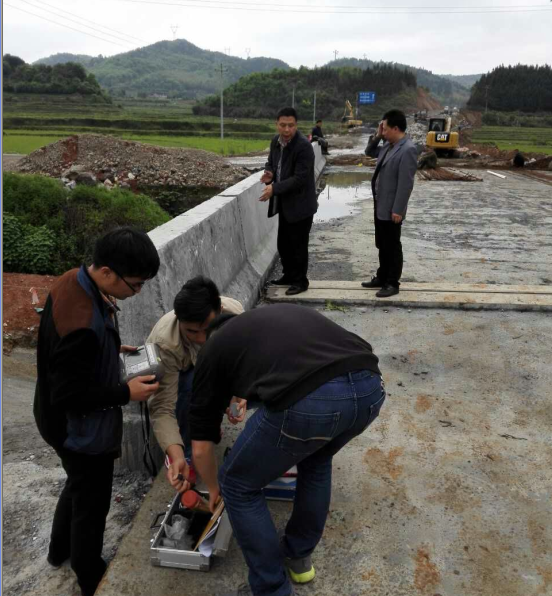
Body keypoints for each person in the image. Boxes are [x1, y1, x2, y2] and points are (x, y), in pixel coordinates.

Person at [184, 303, 385, 596]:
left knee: (237, 484)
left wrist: (215, 489)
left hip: (314, 400)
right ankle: (298, 557)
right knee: (316, 459)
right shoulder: (272, 320)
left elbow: (201, 448)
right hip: (370, 389)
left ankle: (271, 589)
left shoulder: (213, 349)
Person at [34, 227, 161, 596]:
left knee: (77, 485)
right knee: (91, 503)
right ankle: (90, 576)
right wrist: (126, 392)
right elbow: (70, 395)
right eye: (135, 284)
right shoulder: (82, 326)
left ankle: (59, 551)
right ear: (107, 272)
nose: (137, 292)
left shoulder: (72, 280)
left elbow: (66, 356)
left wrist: (110, 348)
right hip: (77, 429)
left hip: (53, 418)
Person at [147, 276, 243, 487]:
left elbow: (242, 363)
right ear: (178, 319)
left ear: (219, 311)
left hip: (216, 366)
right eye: (191, 331)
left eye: (207, 329)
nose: (200, 338)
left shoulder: (235, 317)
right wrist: (176, 453)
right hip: (184, 374)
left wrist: (238, 395)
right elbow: (162, 407)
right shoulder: (164, 343)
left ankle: (210, 426)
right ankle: (188, 452)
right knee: (190, 388)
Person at [260, 107, 318, 296]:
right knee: (284, 244)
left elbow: (299, 178)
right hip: (285, 204)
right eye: (283, 125)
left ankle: (300, 281)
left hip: (301, 204)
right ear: (277, 124)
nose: (287, 130)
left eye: (291, 125)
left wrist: (274, 188)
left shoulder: (303, 147)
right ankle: (288, 275)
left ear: (296, 125)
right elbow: (271, 163)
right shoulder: (275, 142)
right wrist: (269, 173)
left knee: (298, 245)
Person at [362, 109, 418, 297]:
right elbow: (369, 151)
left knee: (393, 245)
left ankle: (392, 283)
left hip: (393, 208)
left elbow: (405, 184)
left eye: (385, 129)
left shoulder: (408, 149)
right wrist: (378, 136)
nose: (383, 131)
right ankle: (382, 276)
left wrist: (398, 210)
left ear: (395, 128)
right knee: (382, 243)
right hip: (381, 204)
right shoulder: (388, 145)